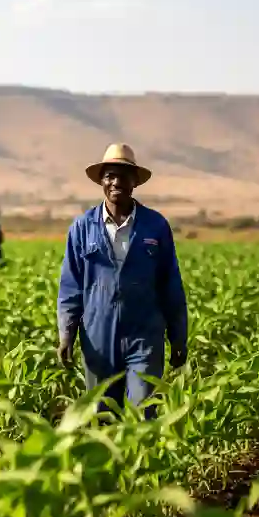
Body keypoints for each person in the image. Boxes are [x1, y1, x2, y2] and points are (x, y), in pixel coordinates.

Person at [57, 143, 188, 418]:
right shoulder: (82, 227)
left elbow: (170, 285)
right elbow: (71, 286)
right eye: (109, 176)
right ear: (102, 182)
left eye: (124, 175)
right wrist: (66, 333)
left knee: (143, 413)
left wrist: (178, 338)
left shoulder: (156, 226)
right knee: (103, 415)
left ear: (134, 182)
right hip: (98, 336)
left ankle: (142, 462)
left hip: (145, 337)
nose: (116, 182)